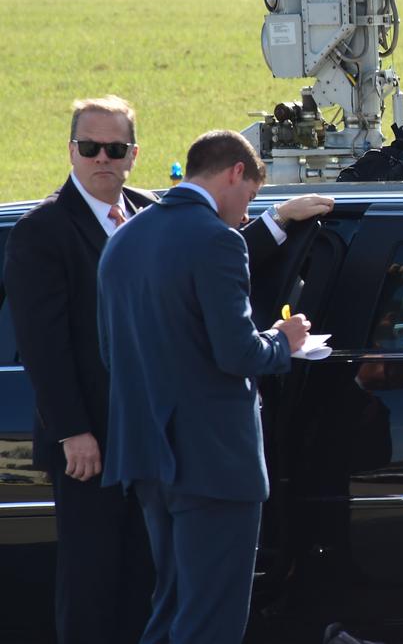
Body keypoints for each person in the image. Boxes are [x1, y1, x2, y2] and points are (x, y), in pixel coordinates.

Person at [2, 96, 331, 644]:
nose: (102, 158)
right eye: (90, 148)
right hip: (95, 439)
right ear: (71, 151)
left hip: (146, 445)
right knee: (95, 581)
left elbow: (202, 263)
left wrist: (274, 221)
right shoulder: (44, 229)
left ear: (134, 154)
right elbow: (43, 346)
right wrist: (73, 430)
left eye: (114, 148)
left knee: (156, 593)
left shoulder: (140, 217)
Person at [97, 130, 314, 644]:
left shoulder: (123, 237)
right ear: (235, 172)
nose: (245, 213)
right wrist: (285, 341)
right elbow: (238, 353)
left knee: (171, 608)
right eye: (251, 197)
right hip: (212, 462)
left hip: (149, 457)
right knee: (210, 617)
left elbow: (110, 353)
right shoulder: (218, 240)